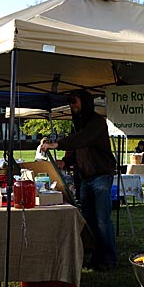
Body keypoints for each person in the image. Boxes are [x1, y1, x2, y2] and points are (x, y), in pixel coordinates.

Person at [40, 89, 118, 271]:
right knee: (89, 219)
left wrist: (57, 144)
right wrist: (65, 161)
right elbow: (75, 150)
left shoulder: (97, 122)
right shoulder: (78, 124)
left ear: (85, 102)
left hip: (100, 177)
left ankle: (109, 259)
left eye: (74, 101)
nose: (72, 105)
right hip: (84, 178)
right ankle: (96, 256)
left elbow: (82, 139)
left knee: (102, 220)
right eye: (70, 102)